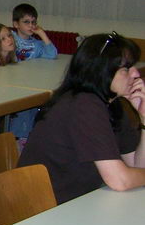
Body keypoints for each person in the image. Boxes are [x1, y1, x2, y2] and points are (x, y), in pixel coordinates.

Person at [18, 32, 145, 204]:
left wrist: (144, 119)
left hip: (77, 201)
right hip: (43, 209)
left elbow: (136, 167)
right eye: (125, 69)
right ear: (101, 72)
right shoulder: (84, 105)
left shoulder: (111, 104)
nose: (136, 74)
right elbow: (119, 180)